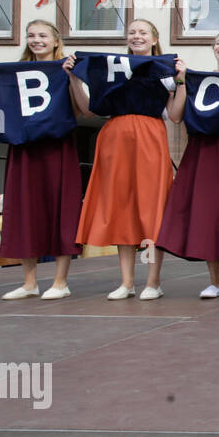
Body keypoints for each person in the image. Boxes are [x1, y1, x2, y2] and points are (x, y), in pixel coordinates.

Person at [0, 21, 82, 298]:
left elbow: (82, 111)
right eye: (31, 35)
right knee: (24, 210)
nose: (36, 40)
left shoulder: (66, 68)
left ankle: (60, 282)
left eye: (42, 35)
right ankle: (29, 282)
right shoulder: (13, 73)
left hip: (56, 147)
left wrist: (73, 78)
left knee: (59, 210)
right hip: (24, 147)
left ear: (55, 41)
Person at [74, 19, 174, 300]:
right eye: (132, 32)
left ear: (154, 38)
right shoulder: (110, 70)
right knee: (121, 208)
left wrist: (180, 80)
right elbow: (89, 110)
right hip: (115, 137)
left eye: (143, 31)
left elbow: (176, 114)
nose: (137, 36)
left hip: (149, 137)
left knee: (151, 209)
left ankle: (153, 280)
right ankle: (127, 281)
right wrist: (73, 76)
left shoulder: (164, 70)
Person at [156, 32, 219, 299]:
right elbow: (176, 117)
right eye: (218, 43)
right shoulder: (196, 79)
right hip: (203, 149)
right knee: (207, 212)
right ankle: (214, 281)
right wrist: (181, 81)